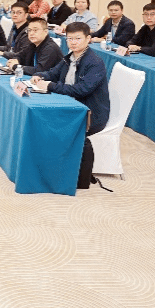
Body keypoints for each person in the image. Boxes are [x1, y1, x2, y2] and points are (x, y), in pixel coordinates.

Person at [31, 22, 110, 190]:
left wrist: (51, 85)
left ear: (88, 39)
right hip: (69, 106)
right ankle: (48, 170)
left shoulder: (95, 62)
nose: (73, 42)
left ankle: (67, 175)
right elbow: (52, 73)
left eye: (77, 38)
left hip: (89, 113)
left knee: (49, 124)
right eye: (69, 39)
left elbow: (82, 90)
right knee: (39, 119)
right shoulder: (70, 57)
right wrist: (40, 76)